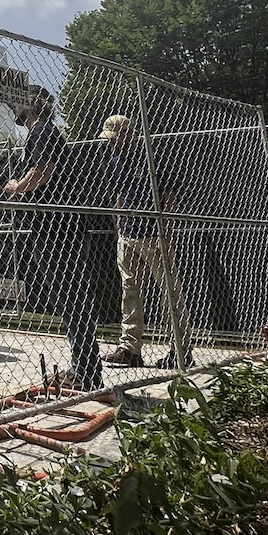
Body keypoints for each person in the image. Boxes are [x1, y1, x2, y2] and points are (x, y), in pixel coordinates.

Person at [0, 89, 102, 389]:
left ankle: (86, 372)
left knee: (72, 297)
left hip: (58, 226)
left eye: (16, 101)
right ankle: (83, 368)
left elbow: (42, 170)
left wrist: (17, 187)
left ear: (30, 105)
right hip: (56, 224)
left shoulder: (42, 131)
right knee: (71, 298)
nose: (12, 106)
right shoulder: (43, 132)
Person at [99, 114, 190, 369]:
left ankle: (181, 350)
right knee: (130, 291)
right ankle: (130, 349)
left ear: (129, 134)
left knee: (170, 291)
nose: (112, 144)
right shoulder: (116, 160)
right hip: (127, 234)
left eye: (115, 138)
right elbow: (118, 193)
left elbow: (170, 193)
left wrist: (166, 229)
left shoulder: (152, 156)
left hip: (153, 233)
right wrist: (118, 226)